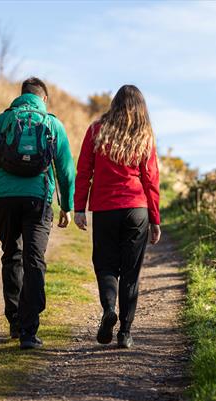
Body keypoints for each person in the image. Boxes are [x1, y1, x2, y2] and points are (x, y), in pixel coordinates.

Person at [0, 77, 75, 350]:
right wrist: (67, 205)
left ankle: (15, 322)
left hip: (5, 198)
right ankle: (30, 330)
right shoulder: (52, 123)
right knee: (34, 259)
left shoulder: (5, 121)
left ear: (21, 96)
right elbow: (66, 170)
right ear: (44, 99)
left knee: (12, 255)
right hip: (39, 199)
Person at [74, 84, 161, 349]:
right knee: (131, 273)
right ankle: (125, 333)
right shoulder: (144, 135)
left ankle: (109, 307)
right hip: (137, 210)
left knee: (106, 265)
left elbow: (84, 171)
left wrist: (79, 207)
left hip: (105, 209)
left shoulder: (96, 130)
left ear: (114, 104)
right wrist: (155, 219)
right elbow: (151, 180)